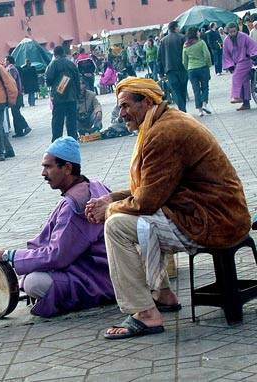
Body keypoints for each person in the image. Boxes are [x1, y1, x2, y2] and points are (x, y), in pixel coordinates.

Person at [85, 77, 251, 340]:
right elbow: (154, 187)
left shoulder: (164, 132)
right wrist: (111, 200)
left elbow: (147, 201)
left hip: (213, 219)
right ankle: (163, 294)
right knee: (134, 219)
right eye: (120, 107)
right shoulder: (164, 121)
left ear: (147, 102)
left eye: (127, 106)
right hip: (212, 211)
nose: (122, 113)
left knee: (117, 226)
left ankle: (145, 313)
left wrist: (109, 209)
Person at [0, 137, 115, 317]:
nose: (43, 173)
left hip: (98, 277)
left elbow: (56, 256)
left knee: (33, 282)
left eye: (48, 167)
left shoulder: (74, 205)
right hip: (100, 269)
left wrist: (8, 255)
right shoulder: (94, 185)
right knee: (28, 269)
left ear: (67, 168)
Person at [45, 46, 80, 140]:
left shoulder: (53, 64)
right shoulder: (71, 63)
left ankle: (56, 141)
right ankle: (73, 139)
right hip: (72, 97)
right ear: (63, 53)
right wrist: (78, 94)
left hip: (58, 97)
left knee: (57, 121)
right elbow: (77, 80)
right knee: (71, 121)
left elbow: (48, 80)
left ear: (55, 54)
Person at [223, 22, 257, 111]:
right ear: (228, 32)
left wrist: (253, 54)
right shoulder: (226, 40)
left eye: (234, 31)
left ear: (237, 30)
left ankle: (236, 96)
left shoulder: (244, 36)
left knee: (236, 76)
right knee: (244, 83)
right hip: (236, 63)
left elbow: (252, 45)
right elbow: (226, 54)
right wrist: (230, 65)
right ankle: (246, 103)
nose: (232, 33)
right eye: (230, 32)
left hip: (245, 60)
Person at [158, 21, 188, 112]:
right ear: (175, 28)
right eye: (178, 27)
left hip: (169, 69)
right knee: (183, 89)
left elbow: (159, 58)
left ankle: (182, 110)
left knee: (176, 91)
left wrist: (161, 72)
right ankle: (183, 110)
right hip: (182, 68)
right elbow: (186, 53)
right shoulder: (182, 38)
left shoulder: (163, 41)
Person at [183, 27, 213, 117]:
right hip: (202, 67)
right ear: (195, 33)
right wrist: (209, 64)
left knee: (196, 90)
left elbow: (184, 60)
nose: (199, 33)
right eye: (198, 32)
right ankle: (204, 105)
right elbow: (207, 55)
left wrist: (187, 68)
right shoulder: (201, 42)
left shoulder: (185, 45)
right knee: (205, 87)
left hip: (191, 70)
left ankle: (199, 111)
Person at [5, 55, 31, 138]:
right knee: (14, 112)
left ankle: (25, 126)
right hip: (16, 93)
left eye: (5, 60)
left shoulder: (11, 69)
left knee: (15, 111)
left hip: (15, 93)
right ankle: (19, 131)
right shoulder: (10, 68)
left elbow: (12, 81)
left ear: (8, 61)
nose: (4, 62)